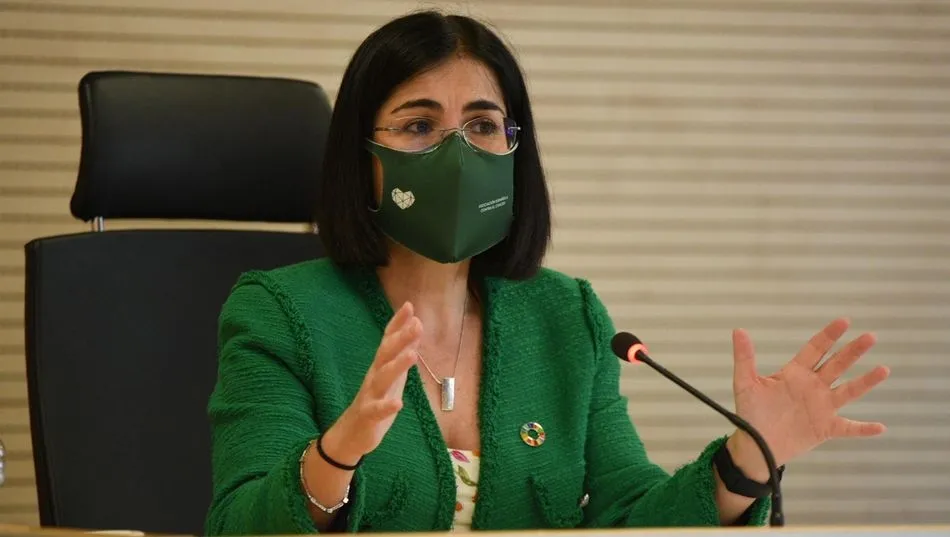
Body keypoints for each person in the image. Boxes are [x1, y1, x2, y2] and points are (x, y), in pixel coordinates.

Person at [204, 10, 890, 535]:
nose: (457, 154)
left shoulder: (567, 316)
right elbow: (236, 525)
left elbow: (627, 515)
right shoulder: (279, 310)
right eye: (418, 126)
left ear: (513, 148)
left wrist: (744, 459)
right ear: (363, 160)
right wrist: (337, 455)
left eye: (481, 126)